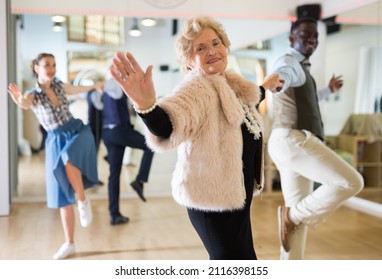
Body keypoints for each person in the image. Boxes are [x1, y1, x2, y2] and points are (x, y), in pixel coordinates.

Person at [110, 16, 283, 259]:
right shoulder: (197, 88)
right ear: (189, 62)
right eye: (200, 48)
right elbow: (168, 124)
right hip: (211, 202)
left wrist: (266, 85)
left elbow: (247, 101)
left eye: (216, 43)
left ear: (225, 46)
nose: (212, 51)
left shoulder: (230, 85)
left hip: (235, 197)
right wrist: (146, 104)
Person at [267, 17, 364, 259]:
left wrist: (328, 91)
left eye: (315, 36)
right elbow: (283, 74)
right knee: (352, 182)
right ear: (291, 38)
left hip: (285, 143)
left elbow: (305, 98)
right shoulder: (289, 62)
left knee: (296, 224)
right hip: (293, 140)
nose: (312, 39)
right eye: (305, 34)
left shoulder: (303, 70)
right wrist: (279, 81)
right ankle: (292, 217)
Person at [8, 53, 103, 260]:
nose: (51, 69)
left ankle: (83, 200)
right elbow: (26, 102)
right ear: (36, 68)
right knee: (62, 195)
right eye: (46, 65)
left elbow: (78, 89)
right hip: (55, 140)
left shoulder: (60, 86)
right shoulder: (34, 94)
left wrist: (95, 86)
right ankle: (70, 243)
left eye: (53, 65)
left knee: (69, 161)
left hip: (76, 131)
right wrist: (20, 101)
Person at [102, 76, 155, 225]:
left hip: (108, 132)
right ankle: (140, 180)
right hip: (120, 132)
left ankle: (114, 214)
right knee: (150, 144)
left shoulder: (110, 88)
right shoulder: (114, 85)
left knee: (114, 175)